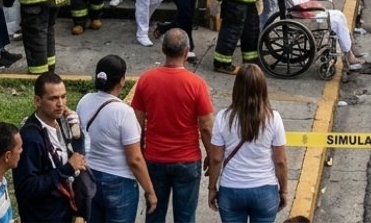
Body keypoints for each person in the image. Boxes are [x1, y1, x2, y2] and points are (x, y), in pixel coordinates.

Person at [132, 28, 215, 223]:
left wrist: (140, 153)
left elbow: (137, 123)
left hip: (154, 159)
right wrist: (211, 155)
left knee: (154, 213)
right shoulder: (196, 84)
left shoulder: (146, 80)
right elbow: (206, 126)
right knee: (185, 217)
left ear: (162, 49)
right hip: (187, 160)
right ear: (186, 52)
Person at [77, 55, 158, 223]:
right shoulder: (123, 112)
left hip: (90, 177)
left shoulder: (84, 101)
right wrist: (150, 191)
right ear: (121, 80)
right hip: (119, 183)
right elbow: (135, 159)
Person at [206, 64, 288, 223]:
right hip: (265, 190)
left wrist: (211, 189)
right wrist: (283, 190)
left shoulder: (223, 117)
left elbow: (216, 159)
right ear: (263, 88)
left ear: (236, 88)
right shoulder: (273, 118)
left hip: (231, 190)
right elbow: (280, 161)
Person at [13, 73, 87, 223]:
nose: (61, 103)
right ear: (37, 101)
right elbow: (28, 187)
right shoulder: (31, 138)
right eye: (53, 98)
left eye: (63, 97)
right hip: (44, 216)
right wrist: (66, 169)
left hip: (64, 211)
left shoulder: (61, 122)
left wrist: (76, 130)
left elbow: (78, 158)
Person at [282, 0, 366, 70]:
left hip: (306, 12)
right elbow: (299, 5)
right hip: (303, 16)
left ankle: (351, 49)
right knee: (337, 21)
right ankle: (349, 56)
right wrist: (314, 6)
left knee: (340, 14)